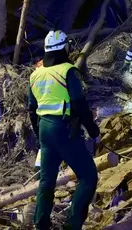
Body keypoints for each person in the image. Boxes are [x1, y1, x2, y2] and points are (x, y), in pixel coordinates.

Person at [28, 30, 99, 230]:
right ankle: (72, 225)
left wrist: (39, 134)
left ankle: (40, 224)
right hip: (63, 129)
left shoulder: (35, 74)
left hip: (44, 130)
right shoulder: (68, 71)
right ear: (64, 47)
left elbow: (31, 109)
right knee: (88, 177)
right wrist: (93, 130)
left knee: (46, 181)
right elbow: (79, 103)